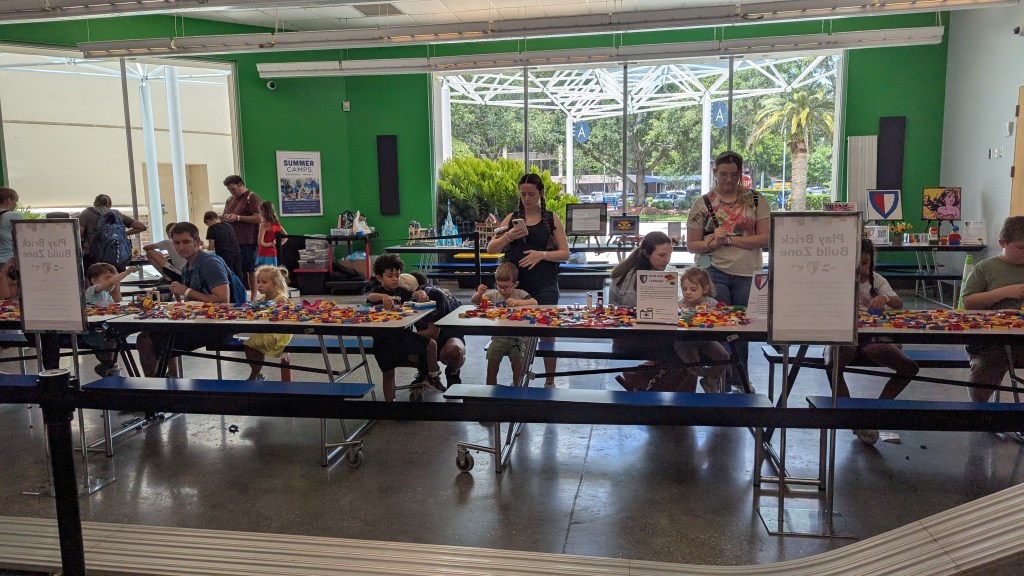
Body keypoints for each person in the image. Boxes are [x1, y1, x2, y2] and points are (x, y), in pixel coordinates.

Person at [824, 238, 920, 445]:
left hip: (872, 338)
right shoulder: (837, 279)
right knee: (833, 365)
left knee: (910, 367)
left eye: (865, 263)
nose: (861, 268)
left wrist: (885, 298)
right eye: (856, 263)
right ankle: (852, 418)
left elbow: (898, 304)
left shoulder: (877, 281)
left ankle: (874, 412)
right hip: (844, 336)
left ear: (871, 261)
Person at [687, 151, 770, 390]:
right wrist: (712, 243)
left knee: (742, 330)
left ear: (741, 174)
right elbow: (692, 244)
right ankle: (720, 378)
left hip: (748, 273)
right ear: (715, 172)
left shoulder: (756, 200)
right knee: (720, 328)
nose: (729, 179)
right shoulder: (702, 204)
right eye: (724, 174)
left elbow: (765, 238)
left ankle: (740, 379)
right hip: (715, 271)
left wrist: (730, 240)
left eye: (734, 174)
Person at [487, 173, 570, 387]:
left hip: (545, 284)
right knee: (520, 335)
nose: (527, 199)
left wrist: (542, 254)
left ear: (540, 193)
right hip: (518, 286)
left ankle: (550, 381)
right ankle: (520, 380)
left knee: (547, 334)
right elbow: (490, 248)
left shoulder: (551, 219)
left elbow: (565, 253)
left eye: (531, 194)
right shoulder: (512, 218)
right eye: (523, 194)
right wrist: (508, 236)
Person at [136, 222, 234, 377]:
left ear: (198, 242)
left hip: (219, 326)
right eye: (176, 243)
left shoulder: (210, 263)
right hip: (202, 321)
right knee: (162, 329)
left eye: (186, 242)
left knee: (145, 340)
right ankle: (171, 378)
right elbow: (191, 300)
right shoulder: (188, 267)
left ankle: (154, 385)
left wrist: (186, 291)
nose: (181, 247)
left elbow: (223, 300)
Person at [608, 231, 689, 391]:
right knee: (687, 348)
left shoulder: (647, 271)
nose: (667, 260)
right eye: (662, 255)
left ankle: (646, 379)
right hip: (632, 337)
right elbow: (635, 315)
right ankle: (670, 391)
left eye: (669, 255)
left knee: (689, 348)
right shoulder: (632, 277)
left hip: (633, 335)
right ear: (646, 253)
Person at [962, 216, 1024, 403]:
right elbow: (969, 303)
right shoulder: (985, 268)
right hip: (991, 341)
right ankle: (984, 411)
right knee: (986, 372)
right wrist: (1005, 292)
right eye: (1021, 248)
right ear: (1002, 243)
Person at [366, 254, 441, 402]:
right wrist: (382, 297)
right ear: (380, 278)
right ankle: (390, 405)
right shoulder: (377, 290)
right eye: (390, 276)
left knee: (431, 345)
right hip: (383, 341)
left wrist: (421, 293)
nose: (395, 279)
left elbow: (414, 294)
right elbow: (371, 296)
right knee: (388, 374)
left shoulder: (401, 291)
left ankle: (432, 377)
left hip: (403, 337)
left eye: (397, 275)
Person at [470, 263, 538, 386]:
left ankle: (517, 390)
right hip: (498, 339)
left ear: (515, 284)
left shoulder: (520, 294)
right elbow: (474, 301)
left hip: (517, 339)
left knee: (518, 368)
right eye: (499, 286)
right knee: (491, 369)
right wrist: (479, 293)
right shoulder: (493, 294)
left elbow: (535, 302)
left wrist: (518, 302)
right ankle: (491, 391)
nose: (502, 290)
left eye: (506, 287)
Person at [675, 267, 731, 393]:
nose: (688, 292)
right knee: (694, 365)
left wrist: (715, 314)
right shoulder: (680, 305)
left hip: (705, 340)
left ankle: (709, 380)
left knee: (724, 357)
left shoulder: (712, 303)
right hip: (684, 342)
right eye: (684, 289)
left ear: (705, 289)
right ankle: (703, 377)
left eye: (693, 289)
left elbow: (722, 320)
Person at [406, 271, 466, 387]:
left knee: (454, 350)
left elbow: (433, 333)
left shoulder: (434, 295)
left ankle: (452, 374)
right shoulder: (409, 296)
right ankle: (424, 372)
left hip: (449, 335)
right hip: (430, 337)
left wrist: (406, 336)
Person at [83, 263, 138, 377]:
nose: (113, 282)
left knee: (119, 333)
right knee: (113, 335)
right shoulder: (92, 291)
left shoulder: (107, 295)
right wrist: (127, 272)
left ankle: (109, 365)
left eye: (115, 278)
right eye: (108, 278)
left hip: (105, 328)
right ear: (94, 280)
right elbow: (111, 282)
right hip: (93, 331)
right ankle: (108, 365)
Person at [244, 265, 293, 381]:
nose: (259, 285)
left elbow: (283, 320)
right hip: (268, 329)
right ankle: (258, 374)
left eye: (264, 282)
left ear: (275, 284)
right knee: (250, 346)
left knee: (250, 345)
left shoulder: (281, 299)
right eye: (258, 282)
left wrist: (263, 313)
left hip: (280, 333)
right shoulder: (263, 299)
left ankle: (255, 375)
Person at [222, 175, 263, 301]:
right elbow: (225, 214)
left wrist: (238, 218)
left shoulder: (252, 197)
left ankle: (254, 296)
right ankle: (237, 295)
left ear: (240, 184)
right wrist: (224, 218)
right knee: (233, 269)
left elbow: (259, 218)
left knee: (250, 269)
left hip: (248, 240)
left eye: (233, 189)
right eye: (229, 190)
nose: (232, 192)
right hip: (232, 241)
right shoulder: (230, 200)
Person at [78, 193, 147, 269]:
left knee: (94, 274)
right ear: (110, 204)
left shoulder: (87, 212)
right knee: (117, 275)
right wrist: (124, 234)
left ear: (95, 203)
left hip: (94, 256)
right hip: (117, 255)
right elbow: (142, 227)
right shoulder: (117, 214)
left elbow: (79, 234)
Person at [203, 211, 243, 281]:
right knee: (238, 273)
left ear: (207, 221)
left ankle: (230, 288)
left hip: (224, 254)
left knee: (228, 274)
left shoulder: (211, 229)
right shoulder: (228, 225)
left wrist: (204, 247)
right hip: (236, 251)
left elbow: (211, 247)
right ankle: (240, 287)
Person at [256, 200, 287, 269]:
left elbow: (260, 243)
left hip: (264, 253)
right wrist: (278, 244)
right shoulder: (276, 224)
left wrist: (271, 244)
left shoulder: (264, 225)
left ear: (263, 212)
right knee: (273, 272)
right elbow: (286, 236)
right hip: (274, 252)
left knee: (263, 272)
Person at [0, 187, 24, 266]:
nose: (16, 205)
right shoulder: (14, 216)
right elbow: (24, 239)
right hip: (8, 261)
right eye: (15, 201)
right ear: (9, 200)